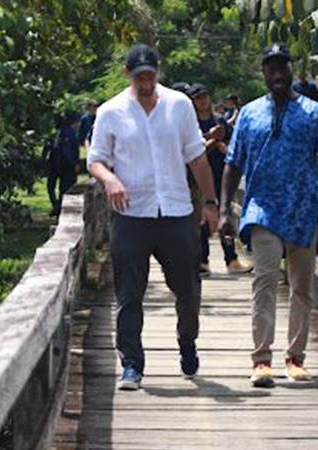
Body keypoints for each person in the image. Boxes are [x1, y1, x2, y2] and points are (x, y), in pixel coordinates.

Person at [87, 44, 219, 391]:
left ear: (157, 71)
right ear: (128, 74)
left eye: (150, 75)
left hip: (176, 211)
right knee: (129, 294)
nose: (145, 82)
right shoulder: (111, 111)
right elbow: (95, 159)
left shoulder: (179, 105)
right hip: (131, 213)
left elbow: (197, 158)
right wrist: (111, 179)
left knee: (188, 290)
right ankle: (132, 364)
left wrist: (210, 202)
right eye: (139, 76)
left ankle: (187, 341)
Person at [219, 42, 318, 388]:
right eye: (270, 67)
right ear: (263, 72)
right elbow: (232, 165)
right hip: (262, 209)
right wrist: (224, 210)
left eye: (282, 67)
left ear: (291, 69)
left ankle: (295, 358)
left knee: (301, 288)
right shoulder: (248, 114)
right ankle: (261, 360)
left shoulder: (315, 113)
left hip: (303, 211)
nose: (276, 73)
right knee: (264, 282)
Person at [188, 83, 252, 276]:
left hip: (221, 174)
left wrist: (224, 146)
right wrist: (211, 140)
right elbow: (192, 150)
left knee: (226, 215)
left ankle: (231, 259)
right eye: (198, 97)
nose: (203, 100)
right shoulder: (191, 124)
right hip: (199, 178)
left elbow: (234, 146)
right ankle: (202, 260)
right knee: (202, 219)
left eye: (205, 95)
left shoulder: (221, 121)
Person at [46, 111, 80, 216]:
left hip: (54, 163)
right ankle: (59, 208)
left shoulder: (57, 132)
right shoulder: (70, 133)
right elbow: (67, 151)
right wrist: (75, 163)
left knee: (51, 187)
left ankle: (56, 206)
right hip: (66, 165)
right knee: (66, 189)